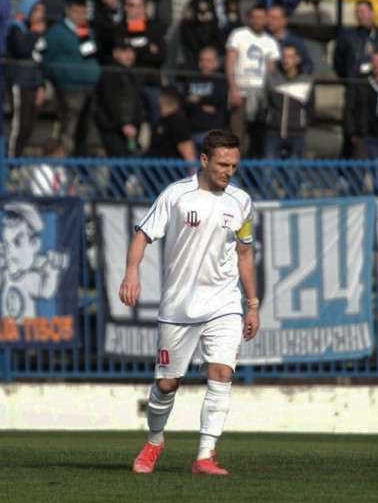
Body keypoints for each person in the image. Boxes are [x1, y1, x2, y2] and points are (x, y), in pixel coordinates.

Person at [121, 129, 259, 475]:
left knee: (221, 372)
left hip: (224, 302)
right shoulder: (176, 195)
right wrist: (131, 273)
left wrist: (253, 304)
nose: (229, 172)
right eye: (223, 164)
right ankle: (155, 441)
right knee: (167, 383)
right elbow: (142, 235)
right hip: (179, 305)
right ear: (204, 160)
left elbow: (244, 253)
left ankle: (205, 456)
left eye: (234, 165)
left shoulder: (241, 201)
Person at [334, 0, 378, 158]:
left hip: (377, 91)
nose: (360, 15)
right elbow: (338, 62)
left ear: (372, 13)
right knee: (351, 134)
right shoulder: (348, 37)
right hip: (355, 89)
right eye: (358, 12)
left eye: (363, 11)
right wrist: (349, 80)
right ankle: (345, 169)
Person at [43, 0, 101, 156]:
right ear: (68, 11)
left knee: (84, 131)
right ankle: (64, 162)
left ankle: (80, 165)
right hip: (69, 87)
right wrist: (56, 77)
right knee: (69, 129)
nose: (80, 16)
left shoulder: (88, 32)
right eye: (77, 12)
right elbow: (47, 58)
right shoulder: (57, 32)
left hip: (89, 87)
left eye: (83, 12)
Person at [225, 6, 280, 158]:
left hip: (261, 94)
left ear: (266, 19)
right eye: (254, 17)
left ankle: (253, 169)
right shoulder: (238, 35)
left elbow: (272, 71)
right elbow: (230, 63)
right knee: (237, 135)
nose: (257, 20)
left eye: (261, 17)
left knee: (259, 135)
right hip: (241, 91)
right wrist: (233, 89)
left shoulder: (270, 42)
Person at [114, 0, 167, 126]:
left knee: (158, 114)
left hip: (151, 80)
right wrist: (147, 48)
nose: (135, 9)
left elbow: (161, 56)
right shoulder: (119, 28)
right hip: (127, 82)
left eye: (139, 6)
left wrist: (133, 51)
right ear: (125, 7)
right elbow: (121, 56)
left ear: (144, 8)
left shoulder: (154, 27)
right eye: (131, 5)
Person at [6, 0, 47, 157]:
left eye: (42, 12)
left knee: (29, 126)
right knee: (20, 125)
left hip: (34, 82)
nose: (40, 15)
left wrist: (41, 85)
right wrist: (34, 34)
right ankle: (10, 161)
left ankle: (18, 157)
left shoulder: (37, 32)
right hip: (20, 80)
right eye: (36, 11)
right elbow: (21, 50)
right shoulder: (17, 28)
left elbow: (40, 59)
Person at [95, 40, 145, 157]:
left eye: (131, 51)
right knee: (120, 161)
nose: (129, 55)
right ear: (115, 53)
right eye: (124, 51)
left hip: (129, 129)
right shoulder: (111, 72)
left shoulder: (131, 74)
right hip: (114, 128)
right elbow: (110, 102)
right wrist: (124, 124)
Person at [264, 44, 311, 160]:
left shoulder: (307, 81)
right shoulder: (272, 78)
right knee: (268, 167)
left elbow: (311, 108)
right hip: (274, 132)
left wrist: (302, 124)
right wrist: (269, 119)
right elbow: (264, 103)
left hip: (296, 134)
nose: (286, 60)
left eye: (290, 57)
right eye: (284, 56)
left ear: (297, 59)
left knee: (293, 169)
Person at [183, 46, 229, 152]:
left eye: (209, 61)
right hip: (191, 131)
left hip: (212, 132)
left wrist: (197, 101)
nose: (205, 64)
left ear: (216, 63)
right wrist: (202, 105)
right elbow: (183, 101)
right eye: (202, 60)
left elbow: (218, 99)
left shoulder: (221, 81)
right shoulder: (191, 79)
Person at [180, 0, 241, 69]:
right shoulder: (198, 0)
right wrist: (198, 48)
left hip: (226, 51)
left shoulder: (231, 1)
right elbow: (186, 28)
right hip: (202, 51)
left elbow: (238, 26)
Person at [146, 87, 196, 161]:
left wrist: (193, 167)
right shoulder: (162, 121)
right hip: (156, 164)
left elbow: (187, 150)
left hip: (171, 166)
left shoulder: (178, 122)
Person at [265, 6, 313, 75]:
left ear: (284, 21)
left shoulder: (295, 42)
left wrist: (295, 76)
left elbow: (308, 66)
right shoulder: (262, 38)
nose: (270, 21)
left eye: (274, 18)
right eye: (268, 18)